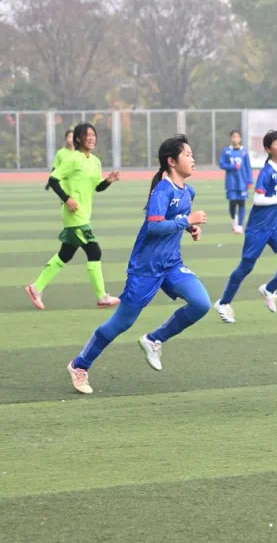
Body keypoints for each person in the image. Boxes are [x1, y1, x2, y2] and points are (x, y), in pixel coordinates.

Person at [65, 134, 211, 394]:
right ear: (171, 161)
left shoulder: (189, 191)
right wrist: (186, 220)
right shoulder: (162, 190)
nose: (193, 158)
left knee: (201, 303)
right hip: (145, 269)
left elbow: (176, 219)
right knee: (121, 323)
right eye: (187, 154)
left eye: (191, 154)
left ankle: (154, 339)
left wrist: (190, 228)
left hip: (171, 264)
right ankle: (79, 365)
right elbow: (155, 226)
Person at [26, 123, 121, 310]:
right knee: (94, 251)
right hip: (75, 215)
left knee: (65, 254)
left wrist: (108, 181)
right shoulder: (72, 159)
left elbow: (97, 187)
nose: (92, 138)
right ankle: (102, 296)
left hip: (84, 214)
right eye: (87, 135)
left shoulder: (95, 161)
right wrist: (67, 198)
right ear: (78, 139)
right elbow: (53, 180)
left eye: (94, 134)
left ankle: (36, 288)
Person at [214, 130, 277, 324]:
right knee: (246, 267)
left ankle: (269, 289)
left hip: (276, 226)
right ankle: (223, 302)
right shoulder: (267, 172)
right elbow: (258, 198)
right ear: (268, 149)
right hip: (258, 228)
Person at [219, 129, 253, 234]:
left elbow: (248, 167)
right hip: (231, 182)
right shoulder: (226, 151)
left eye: (237, 137)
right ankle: (234, 220)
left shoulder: (244, 152)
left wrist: (250, 180)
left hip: (242, 182)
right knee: (232, 202)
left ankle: (239, 225)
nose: (235, 139)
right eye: (233, 137)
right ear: (231, 138)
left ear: (240, 139)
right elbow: (221, 164)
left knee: (242, 203)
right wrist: (233, 166)